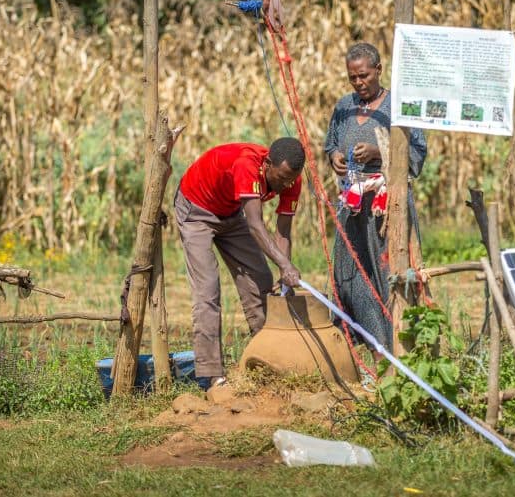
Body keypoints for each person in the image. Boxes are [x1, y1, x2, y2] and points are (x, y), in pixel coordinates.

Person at [174, 137, 305, 386]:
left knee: (261, 281)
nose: (285, 185)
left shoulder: (291, 179)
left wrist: (283, 273)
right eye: (281, 178)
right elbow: (256, 225)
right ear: (267, 164)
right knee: (208, 291)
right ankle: (212, 375)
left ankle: (266, 359)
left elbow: (283, 231)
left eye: (290, 179)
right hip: (197, 210)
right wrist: (286, 265)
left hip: (231, 212)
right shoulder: (247, 164)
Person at [324, 42, 427, 351]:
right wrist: (334, 156)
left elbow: (418, 152)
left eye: (364, 76)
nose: (359, 83)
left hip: (387, 207)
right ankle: (362, 338)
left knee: (386, 270)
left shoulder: (397, 107)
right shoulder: (344, 106)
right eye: (353, 77)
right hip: (352, 204)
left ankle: (395, 340)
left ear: (379, 70)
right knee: (350, 269)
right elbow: (330, 142)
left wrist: (378, 152)